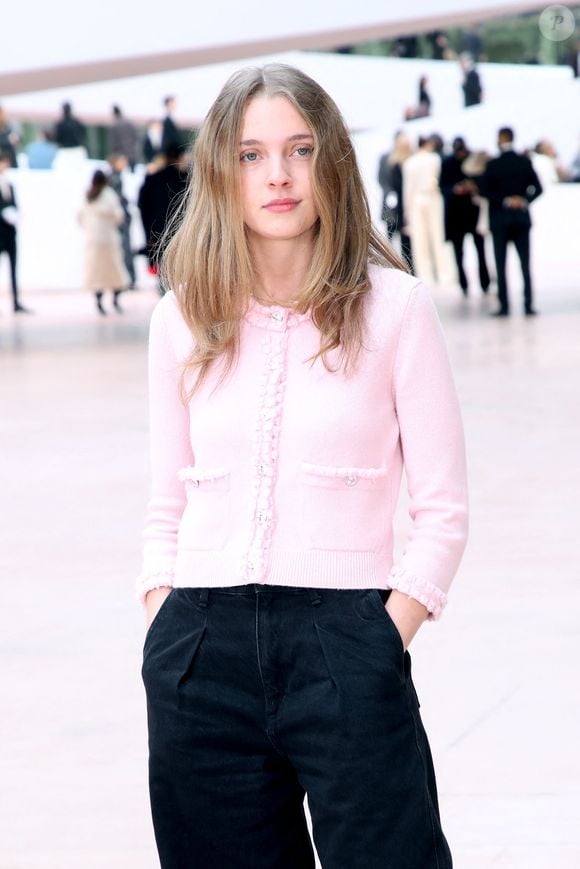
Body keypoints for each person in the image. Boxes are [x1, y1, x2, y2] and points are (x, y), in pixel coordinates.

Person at [138, 63, 468, 868]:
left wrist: (380, 639)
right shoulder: (181, 317)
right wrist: (162, 621)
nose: (278, 174)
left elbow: (444, 509)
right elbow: (163, 504)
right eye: (251, 155)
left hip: (346, 640)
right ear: (221, 169)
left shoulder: (394, 309)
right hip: (198, 653)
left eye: (299, 148)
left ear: (332, 162)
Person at [480, 127, 543, 316]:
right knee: (525, 263)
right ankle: (528, 304)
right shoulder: (524, 161)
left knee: (501, 264)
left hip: (500, 220)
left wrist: (505, 200)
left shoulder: (493, 164)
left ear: (499, 139)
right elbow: (538, 188)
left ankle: (504, 306)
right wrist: (524, 200)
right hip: (521, 219)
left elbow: (484, 191)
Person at [440, 136, 490, 296]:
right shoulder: (448, 163)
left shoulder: (473, 161)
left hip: (472, 213)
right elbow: (443, 186)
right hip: (456, 214)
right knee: (458, 252)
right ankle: (464, 283)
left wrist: (472, 188)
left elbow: (483, 182)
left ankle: (485, 282)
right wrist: (455, 190)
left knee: (480, 249)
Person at [403, 134, 454, 285]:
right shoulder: (435, 159)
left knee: (420, 239)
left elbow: (408, 188)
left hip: (416, 200)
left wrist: (407, 210)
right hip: (433, 197)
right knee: (438, 236)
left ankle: (426, 275)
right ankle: (445, 273)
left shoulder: (410, 163)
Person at [137, 143, 188, 293]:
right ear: (179, 158)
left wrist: (148, 234)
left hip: (158, 233)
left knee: (163, 274)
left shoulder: (152, 180)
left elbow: (143, 209)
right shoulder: (187, 179)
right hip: (182, 233)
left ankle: (166, 302)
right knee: (182, 272)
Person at [78, 169, 130, 315]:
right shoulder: (109, 194)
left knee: (97, 275)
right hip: (108, 240)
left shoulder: (88, 195)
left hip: (92, 241)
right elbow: (118, 216)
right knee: (115, 272)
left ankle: (99, 301)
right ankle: (115, 300)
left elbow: (80, 217)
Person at [377, 130, 413, 268]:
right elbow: (381, 179)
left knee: (406, 239)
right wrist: (390, 194)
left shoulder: (408, 158)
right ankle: (391, 265)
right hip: (391, 203)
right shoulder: (386, 158)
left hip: (404, 202)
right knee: (390, 235)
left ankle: (407, 266)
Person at [0, 152, 30, 313]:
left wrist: (15, 215)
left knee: (13, 267)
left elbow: (14, 204)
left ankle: (16, 302)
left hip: (10, 232)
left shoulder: (10, 185)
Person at [107, 153, 136, 287]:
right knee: (124, 249)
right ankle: (128, 279)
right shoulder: (114, 178)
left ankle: (127, 279)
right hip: (121, 220)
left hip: (121, 219)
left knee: (124, 250)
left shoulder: (114, 177)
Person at [109, 105, 139, 171]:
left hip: (120, 155)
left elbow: (114, 142)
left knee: (120, 174)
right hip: (131, 152)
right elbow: (135, 136)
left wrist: (113, 153)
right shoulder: (129, 122)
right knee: (132, 174)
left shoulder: (114, 125)